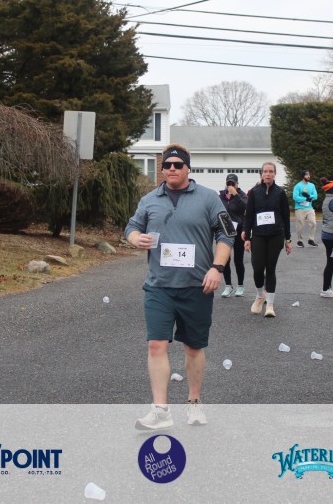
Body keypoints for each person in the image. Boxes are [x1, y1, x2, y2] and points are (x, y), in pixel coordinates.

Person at [125, 144, 234, 431]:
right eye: (167, 165)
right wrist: (135, 238)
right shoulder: (149, 200)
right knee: (156, 344)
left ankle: (194, 402)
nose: (171, 169)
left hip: (197, 287)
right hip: (159, 286)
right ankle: (161, 411)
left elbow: (226, 235)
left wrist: (217, 268)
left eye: (177, 165)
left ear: (187, 168)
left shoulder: (209, 198)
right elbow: (131, 227)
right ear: (162, 169)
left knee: (194, 347)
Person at [244, 162, 293, 317]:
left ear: (274, 174)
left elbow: (286, 216)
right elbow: (249, 215)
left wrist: (288, 239)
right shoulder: (254, 193)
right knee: (258, 268)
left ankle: (270, 305)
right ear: (261, 174)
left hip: (275, 235)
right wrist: (247, 236)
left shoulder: (280, 193)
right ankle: (260, 295)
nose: (268, 174)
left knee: (270, 269)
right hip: (258, 235)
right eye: (265, 171)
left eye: (271, 171)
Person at [218, 173, 248, 298]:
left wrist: (235, 195)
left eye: (233, 183)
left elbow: (246, 208)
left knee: (238, 259)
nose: (230, 185)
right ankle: (228, 286)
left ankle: (240, 286)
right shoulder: (221, 196)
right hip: (225, 230)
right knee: (225, 258)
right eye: (228, 183)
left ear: (237, 184)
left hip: (239, 231)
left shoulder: (242, 195)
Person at [292, 170, 319, 247]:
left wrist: (309, 197)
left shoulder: (312, 185)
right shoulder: (298, 186)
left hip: (309, 208)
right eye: (307, 175)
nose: (308, 176)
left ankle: (311, 240)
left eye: (309, 175)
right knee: (300, 225)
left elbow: (315, 196)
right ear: (303, 176)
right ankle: (299, 241)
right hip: (300, 208)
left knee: (313, 223)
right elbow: (295, 197)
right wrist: (305, 199)